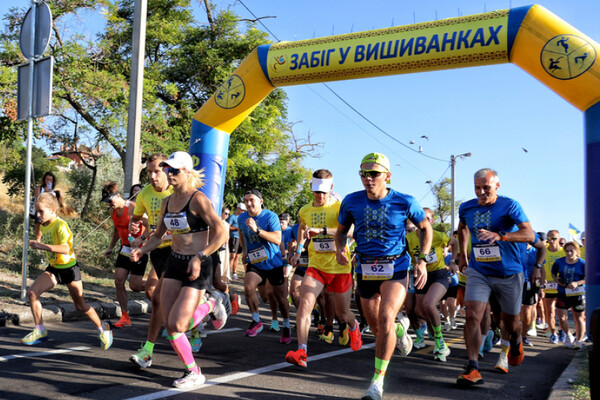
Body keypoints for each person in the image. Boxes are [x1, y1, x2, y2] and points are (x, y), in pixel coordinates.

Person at [335, 153, 432, 400]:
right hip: (365, 267)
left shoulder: (405, 201)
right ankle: (400, 331)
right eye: (364, 174)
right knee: (378, 328)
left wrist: (421, 260)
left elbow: (425, 228)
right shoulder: (351, 201)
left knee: (386, 316)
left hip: (395, 266)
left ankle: (377, 383)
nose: (368, 179)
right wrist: (339, 249)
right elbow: (342, 231)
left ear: (387, 176)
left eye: (374, 174)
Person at [130, 151, 228, 388]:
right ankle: (193, 371)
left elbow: (222, 231)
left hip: (198, 264)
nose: (168, 174)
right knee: (170, 322)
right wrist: (142, 250)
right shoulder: (167, 202)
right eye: (167, 169)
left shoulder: (198, 199)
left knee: (179, 325)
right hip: (174, 262)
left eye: (173, 170)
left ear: (186, 172)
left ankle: (212, 304)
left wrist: (201, 256)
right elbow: (158, 236)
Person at [456, 168, 534, 387]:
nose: (481, 192)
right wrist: (463, 254)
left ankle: (517, 341)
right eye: (477, 188)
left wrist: (502, 236)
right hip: (479, 271)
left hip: (509, 273)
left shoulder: (510, 205)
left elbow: (529, 234)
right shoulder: (467, 207)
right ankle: (472, 368)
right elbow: (462, 227)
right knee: (472, 315)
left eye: (486, 187)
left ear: (497, 186)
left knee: (510, 323)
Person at [286, 169, 362, 368]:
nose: (320, 196)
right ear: (311, 187)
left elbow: (352, 230)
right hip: (316, 265)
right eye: (316, 191)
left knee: (343, 314)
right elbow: (302, 228)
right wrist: (299, 250)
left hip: (340, 267)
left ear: (331, 188)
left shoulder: (339, 208)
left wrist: (323, 231)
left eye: (324, 192)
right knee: (305, 305)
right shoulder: (305, 210)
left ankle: (354, 327)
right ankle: (302, 351)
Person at [22, 193, 113, 350]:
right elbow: (40, 233)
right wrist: (36, 241)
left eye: (41, 211)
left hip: (69, 268)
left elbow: (65, 249)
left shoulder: (60, 225)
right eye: (36, 211)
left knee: (80, 305)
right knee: (32, 293)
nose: (38, 215)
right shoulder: (44, 224)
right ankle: (40, 330)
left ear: (53, 210)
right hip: (54, 269)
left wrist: (42, 246)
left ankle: (103, 328)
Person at [128, 153, 174, 368]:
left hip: (180, 250)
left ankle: (211, 302)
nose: (153, 176)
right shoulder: (144, 193)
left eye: (157, 171)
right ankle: (148, 351)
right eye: (149, 172)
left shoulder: (178, 190)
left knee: (159, 298)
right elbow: (136, 219)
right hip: (158, 249)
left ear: (167, 169)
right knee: (157, 299)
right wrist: (135, 227)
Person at [238, 189, 291, 343]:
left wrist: (257, 230)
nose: (248, 203)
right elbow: (241, 233)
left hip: (273, 263)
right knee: (248, 287)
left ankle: (286, 325)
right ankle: (256, 320)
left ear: (260, 201)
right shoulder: (242, 218)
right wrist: (244, 251)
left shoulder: (270, 216)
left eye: (252, 200)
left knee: (280, 298)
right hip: (256, 263)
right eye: (246, 200)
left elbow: (276, 238)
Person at [406, 207, 455, 362]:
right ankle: (429, 331)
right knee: (418, 310)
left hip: (438, 275)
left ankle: (441, 343)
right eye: (420, 218)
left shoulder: (439, 235)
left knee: (428, 304)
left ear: (431, 221)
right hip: (420, 276)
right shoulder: (410, 238)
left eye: (427, 218)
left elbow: (455, 242)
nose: (423, 221)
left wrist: (453, 260)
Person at [101, 182, 148, 328]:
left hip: (139, 248)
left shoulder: (133, 207)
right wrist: (110, 247)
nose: (109, 204)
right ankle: (125, 316)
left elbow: (150, 225)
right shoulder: (112, 211)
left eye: (110, 200)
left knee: (135, 286)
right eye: (107, 202)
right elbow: (116, 230)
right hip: (124, 248)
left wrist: (142, 239)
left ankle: (158, 287)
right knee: (118, 281)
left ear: (118, 196)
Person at [552, 241, 586, 349]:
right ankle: (569, 335)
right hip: (563, 292)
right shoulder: (559, 262)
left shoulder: (582, 263)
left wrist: (577, 283)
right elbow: (553, 273)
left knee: (579, 317)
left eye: (572, 251)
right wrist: (556, 279)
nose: (569, 253)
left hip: (578, 293)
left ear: (577, 251)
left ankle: (579, 341)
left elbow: (587, 278)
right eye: (567, 251)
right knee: (562, 317)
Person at [542, 230, 566, 344]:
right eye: (549, 238)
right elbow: (540, 267)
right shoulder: (543, 251)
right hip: (548, 284)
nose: (552, 241)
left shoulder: (564, 252)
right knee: (550, 311)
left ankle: (562, 330)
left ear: (559, 239)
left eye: (554, 238)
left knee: (562, 312)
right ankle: (553, 333)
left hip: (561, 284)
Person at [32, 172, 57, 241]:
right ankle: (37, 242)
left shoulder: (53, 192)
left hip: (48, 213)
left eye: (50, 180)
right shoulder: (39, 188)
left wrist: (50, 192)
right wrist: (46, 193)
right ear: (44, 180)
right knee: (38, 228)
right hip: (40, 211)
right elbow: (37, 199)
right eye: (47, 179)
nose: (48, 181)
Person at [227, 203, 245, 280]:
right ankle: (227, 273)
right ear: (238, 208)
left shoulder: (242, 218)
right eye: (241, 210)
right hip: (234, 237)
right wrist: (236, 228)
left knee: (237, 256)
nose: (243, 211)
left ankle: (234, 273)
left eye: (244, 210)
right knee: (232, 256)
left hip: (241, 238)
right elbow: (227, 227)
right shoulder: (232, 217)